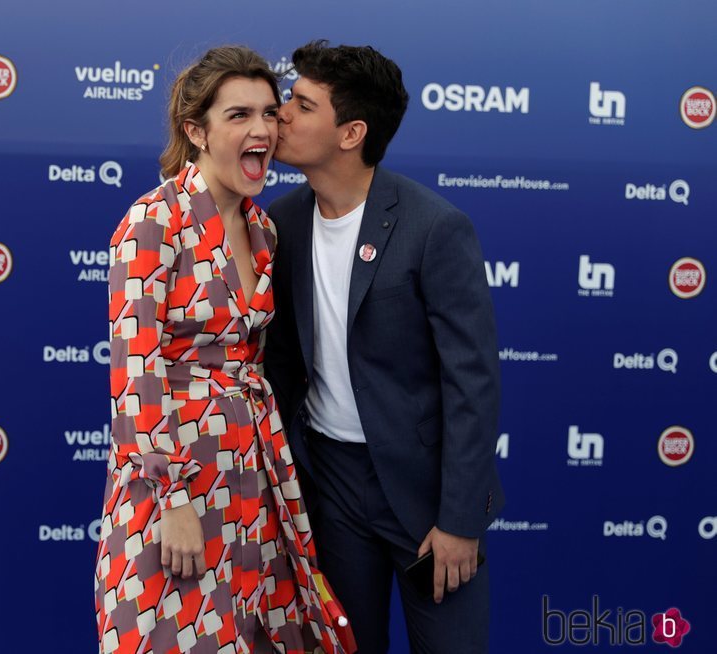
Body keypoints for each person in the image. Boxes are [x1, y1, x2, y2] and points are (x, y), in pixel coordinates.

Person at [94, 46, 355, 654]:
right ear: (197, 131)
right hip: (174, 482)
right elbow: (136, 369)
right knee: (169, 635)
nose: (261, 129)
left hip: (254, 475)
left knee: (260, 634)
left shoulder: (264, 229)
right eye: (238, 115)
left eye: (269, 113)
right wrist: (172, 500)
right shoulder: (154, 220)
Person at [264, 40, 505, 654]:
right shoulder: (280, 222)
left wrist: (458, 520)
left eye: (301, 104)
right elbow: (281, 364)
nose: (280, 114)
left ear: (351, 133)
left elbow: (471, 383)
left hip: (425, 494)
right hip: (332, 484)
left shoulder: (434, 228)